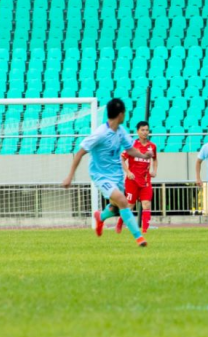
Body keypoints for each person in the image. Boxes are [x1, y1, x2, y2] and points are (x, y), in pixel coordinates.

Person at [62, 98, 152, 249]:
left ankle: (100, 216)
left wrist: (143, 156)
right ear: (120, 114)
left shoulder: (121, 131)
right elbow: (79, 153)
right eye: (124, 113)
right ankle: (139, 237)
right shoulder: (100, 134)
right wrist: (70, 176)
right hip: (101, 175)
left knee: (115, 208)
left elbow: (130, 149)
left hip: (117, 175)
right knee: (123, 201)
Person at [117, 120, 157, 235]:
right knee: (129, 205)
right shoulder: (132, 146)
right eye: (142, 130)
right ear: (138, 131)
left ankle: (145, 230)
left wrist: (154, 170)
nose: (145, 132)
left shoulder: (152, 146)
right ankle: (119, 224)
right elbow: (121, 159)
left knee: (146, 204)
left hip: (145, 180)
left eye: (147, 130)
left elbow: (155, 159)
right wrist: (128, 171)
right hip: (132, 181)